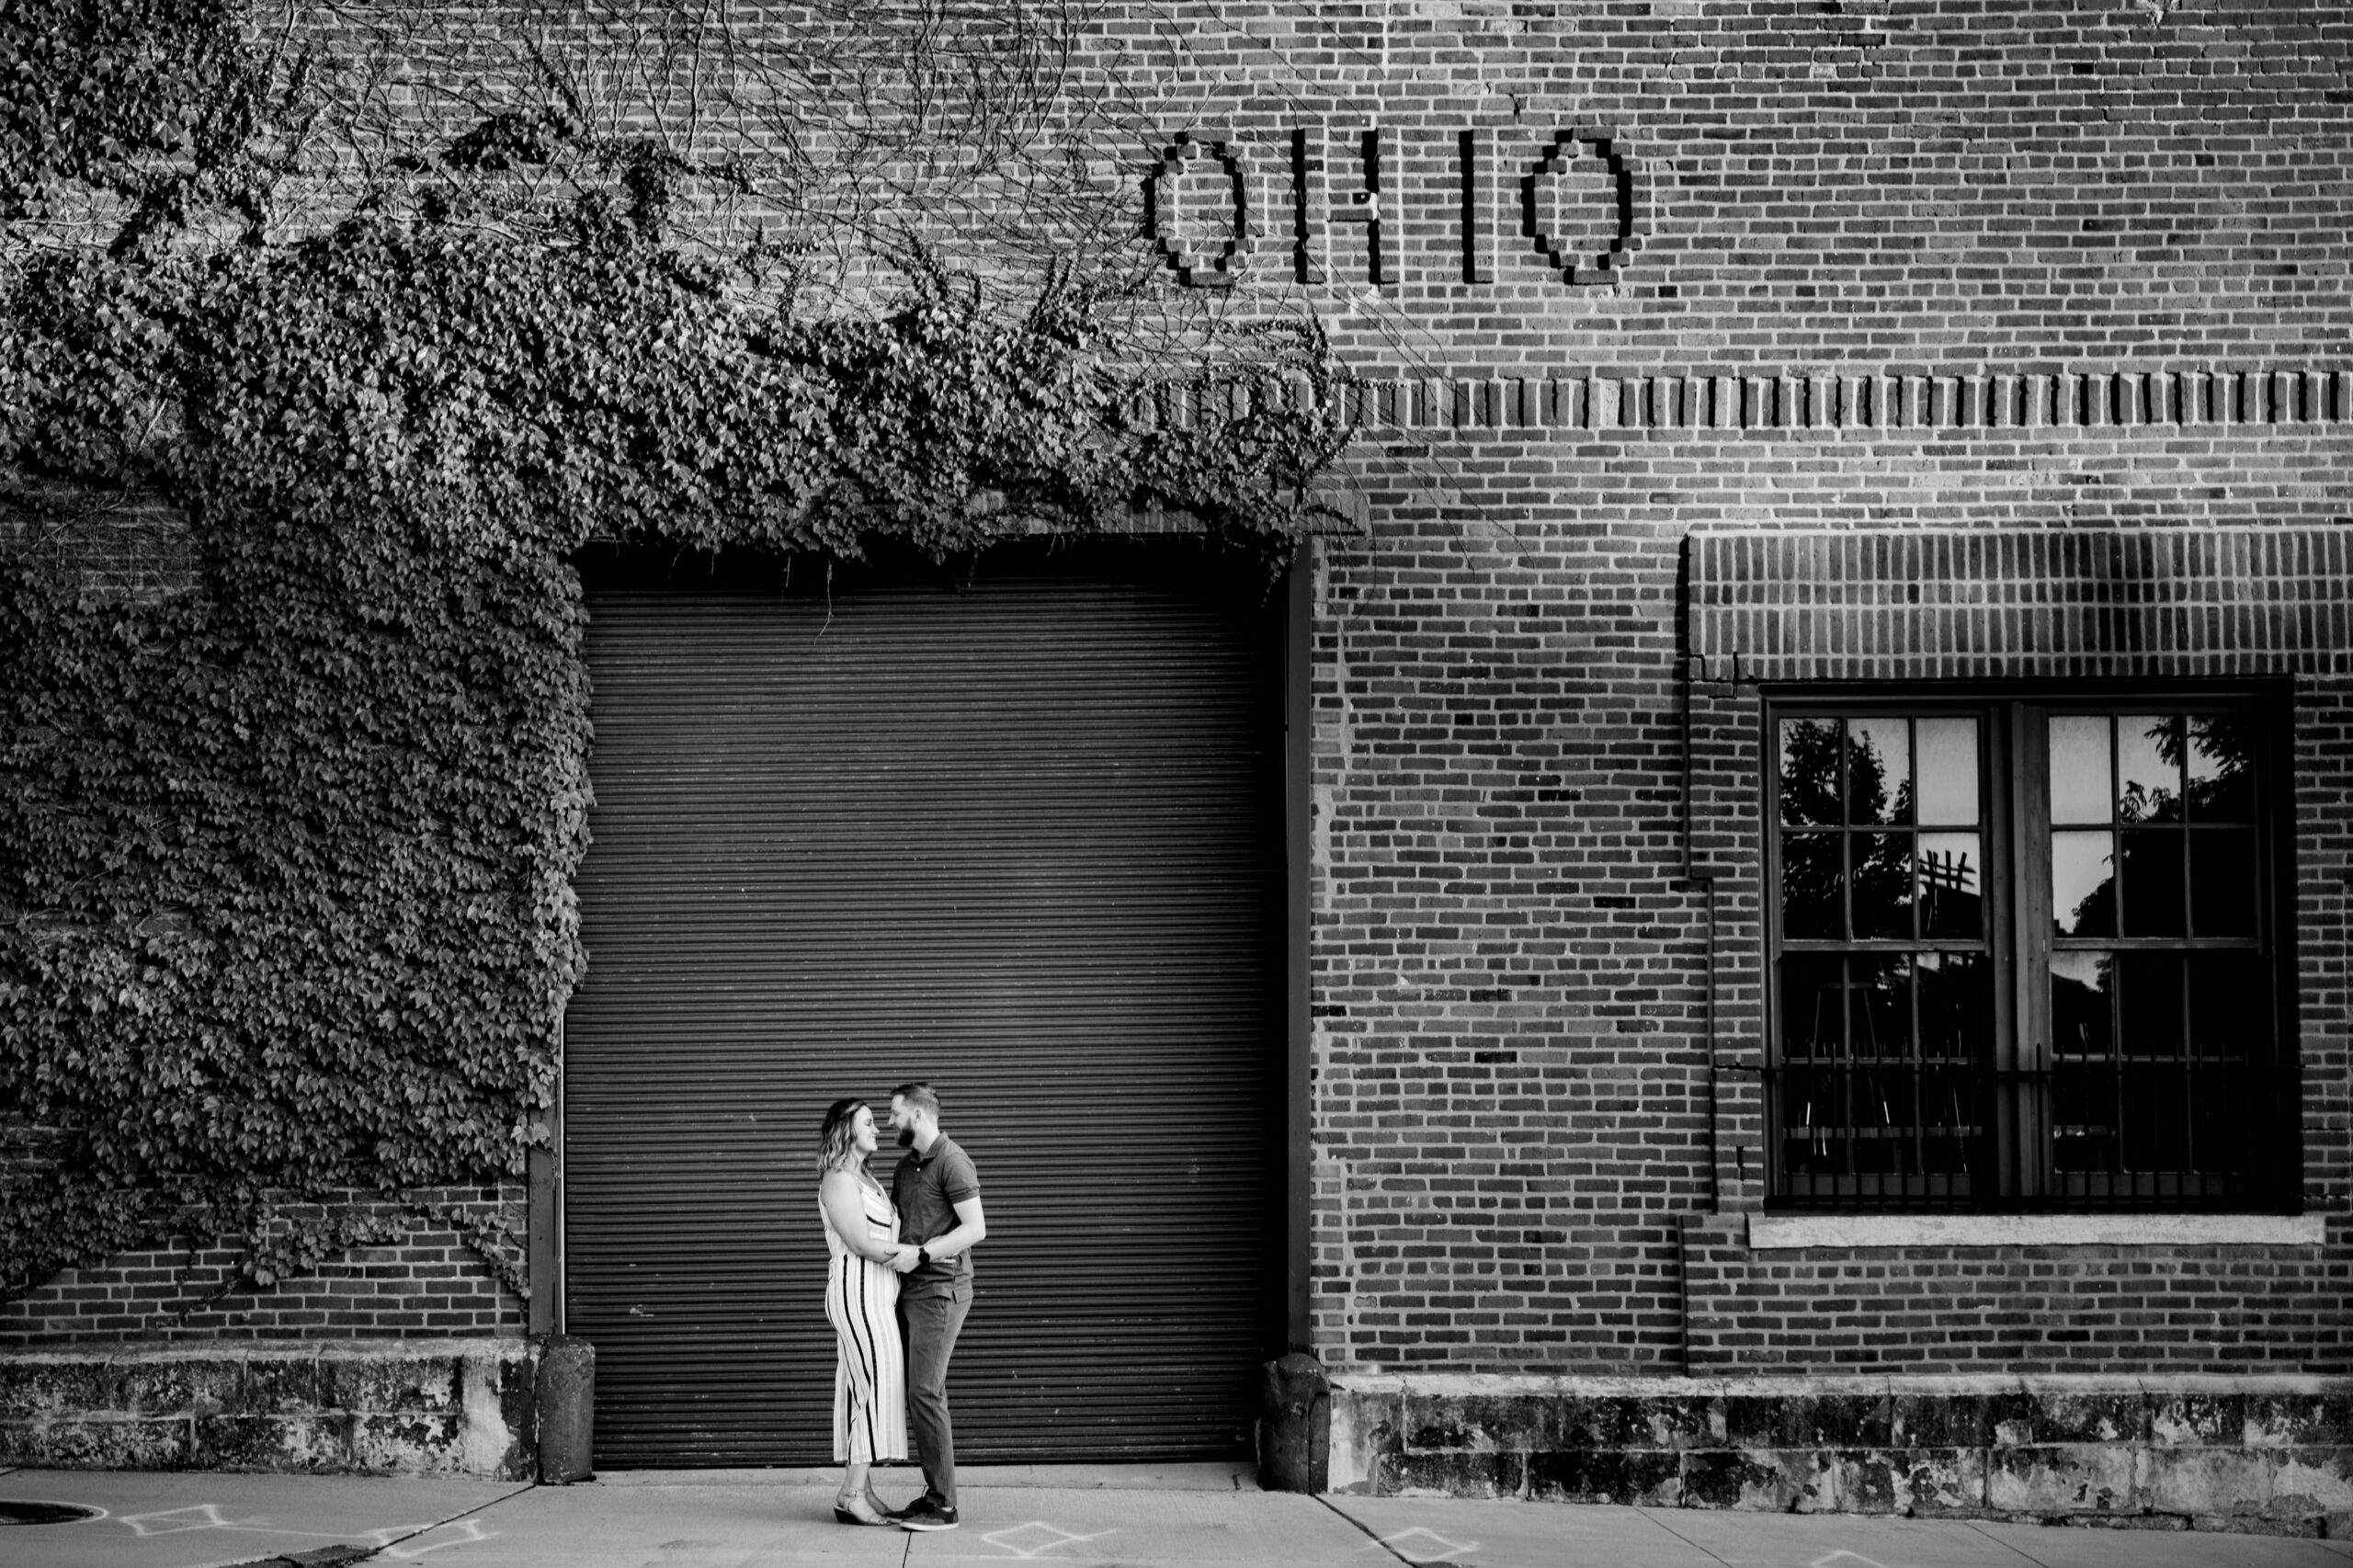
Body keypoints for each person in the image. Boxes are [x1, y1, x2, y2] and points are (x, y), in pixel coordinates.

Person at [886, 1081, 986, 1534]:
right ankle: (934, 1493)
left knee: (925, 1391)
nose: (890, 1122)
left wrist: (923, 1254)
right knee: (921, 1392)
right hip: (909, 1290)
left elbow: (975, 1228)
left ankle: (944, 1505)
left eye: (895, 1114)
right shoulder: (906, 1169)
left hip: (942, 1290)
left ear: (919, 1117)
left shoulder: (953, 1160)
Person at [815, 1097, 919, 1527]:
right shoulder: (838, 1180)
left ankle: (861, 1488)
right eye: (870, 1123)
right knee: (877, 1385)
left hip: (878, 1293)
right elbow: (858, 1242)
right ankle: (852, 1494)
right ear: (846, 1130)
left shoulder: (867, 1180)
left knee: (865, 1388)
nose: (879, 1129)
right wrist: (913, 1255)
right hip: (856, 1292)